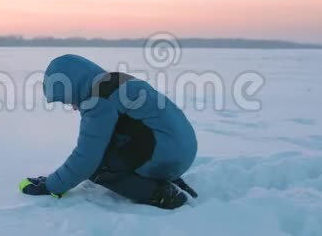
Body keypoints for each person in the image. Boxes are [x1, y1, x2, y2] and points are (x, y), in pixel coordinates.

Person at [19, 54, 198, 209]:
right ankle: (164, 178)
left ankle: (161, 194)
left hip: (166, 156)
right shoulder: (117, 81)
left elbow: (87, 159)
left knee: (98, 167)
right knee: (111, 146)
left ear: (73, 87)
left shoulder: (99, 99)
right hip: (181, 151)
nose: (73, 107)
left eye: (68, 100)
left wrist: (51, 186)